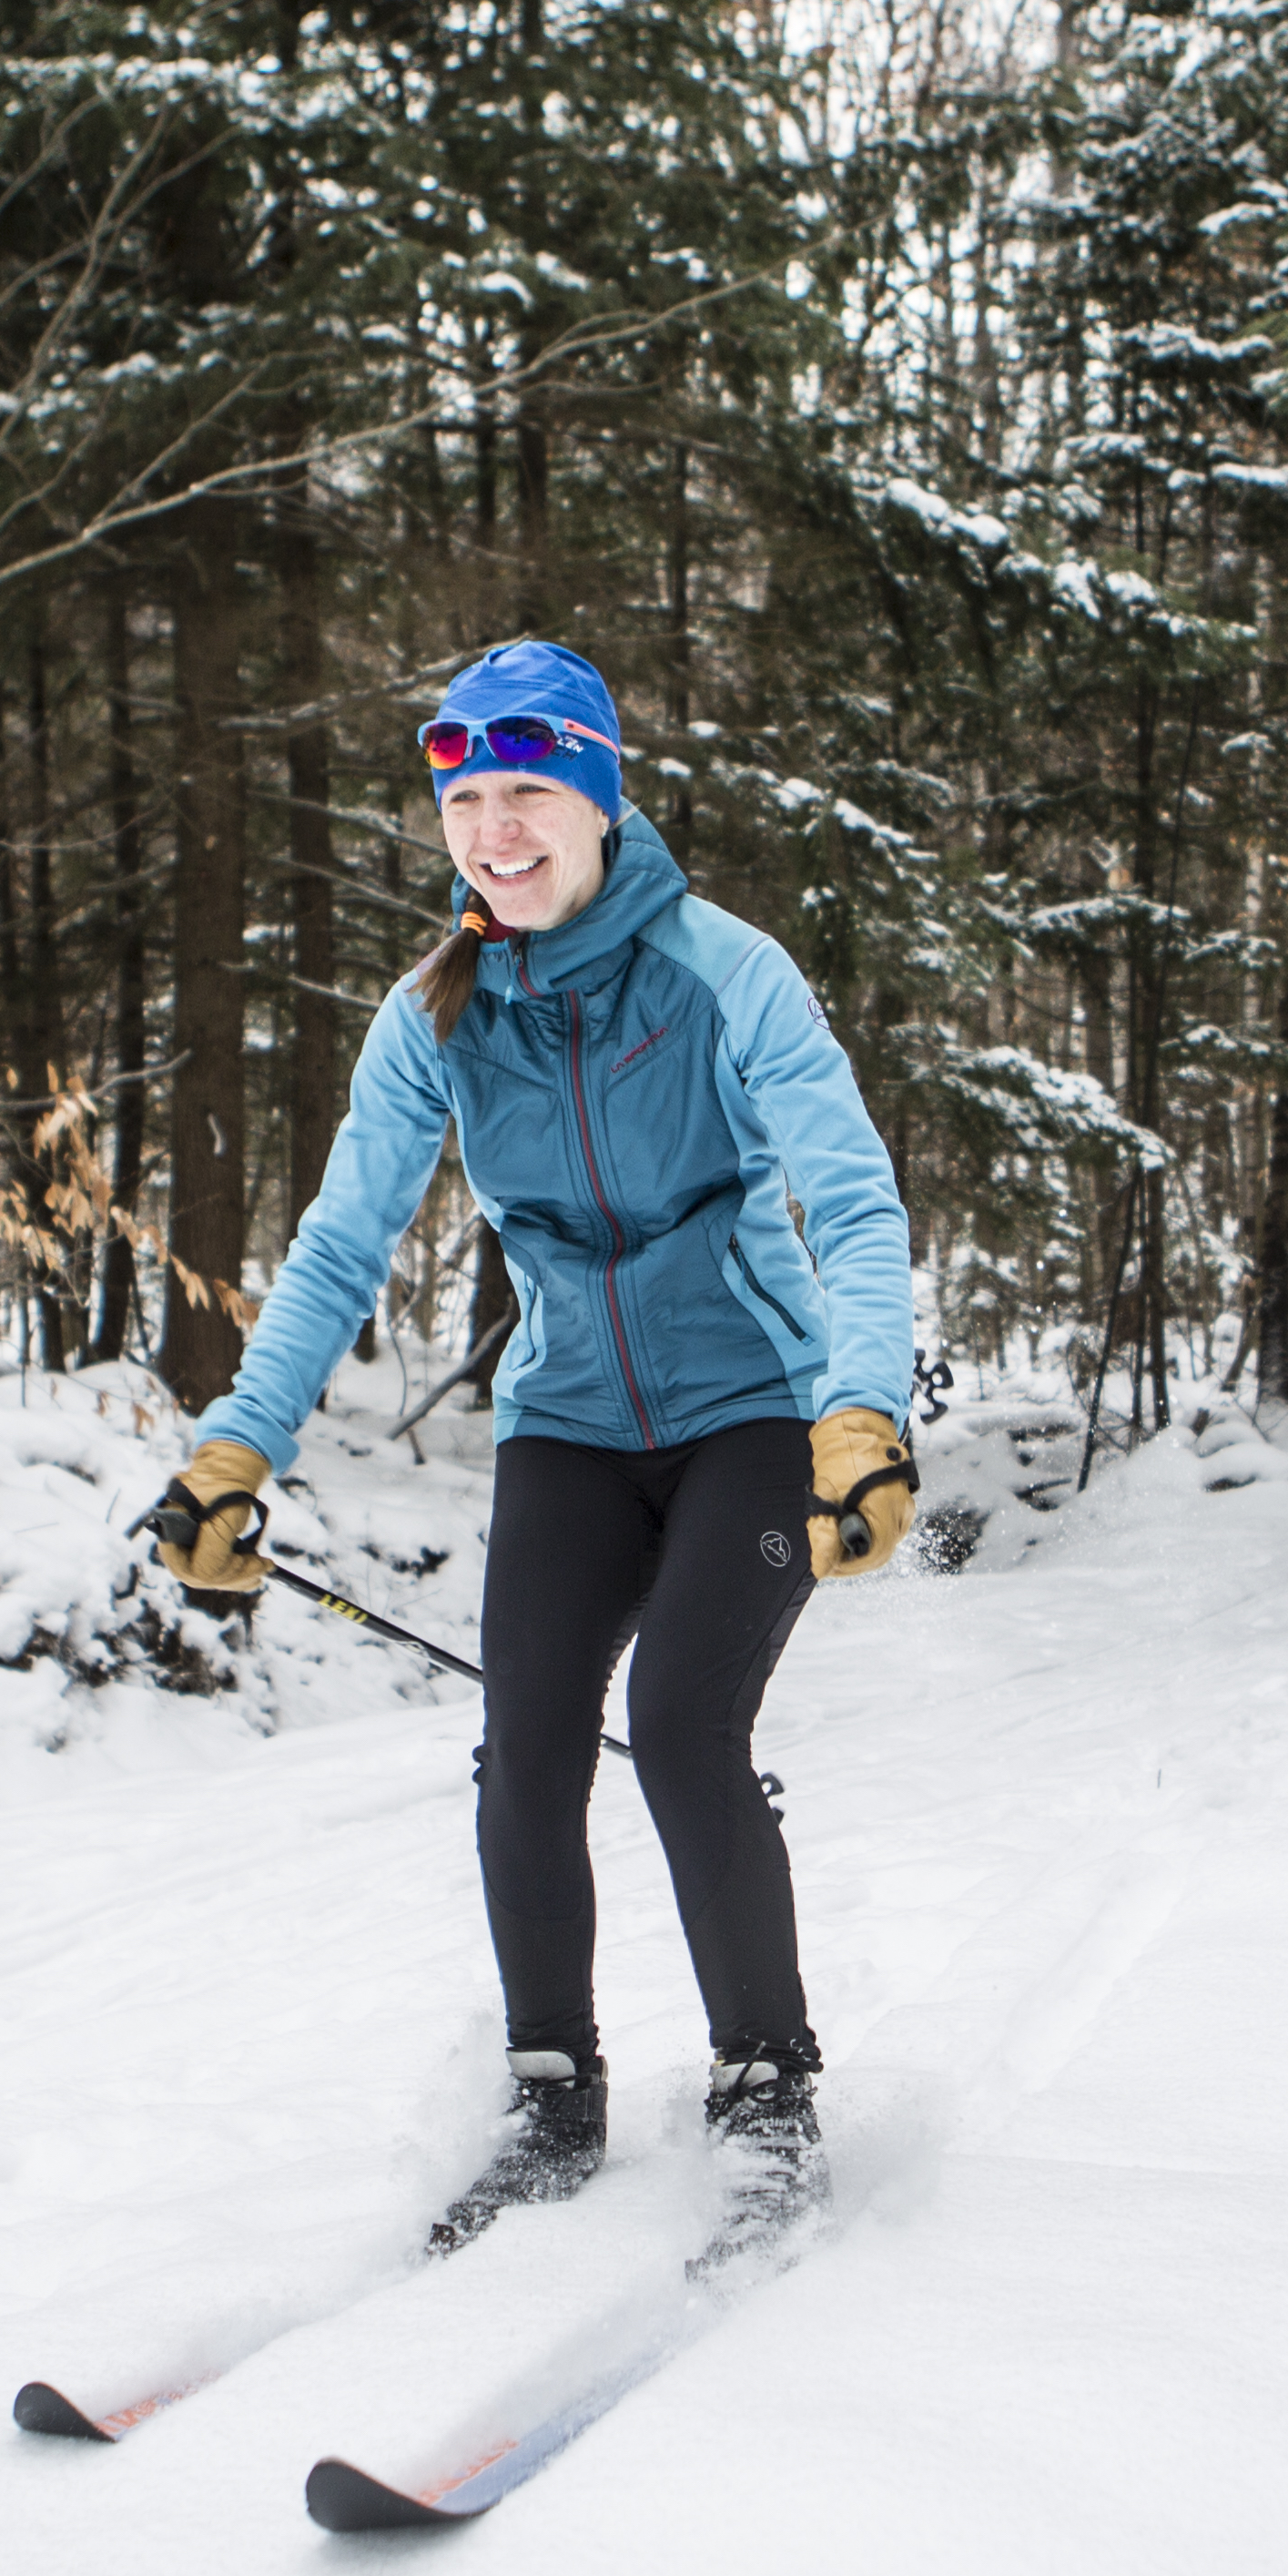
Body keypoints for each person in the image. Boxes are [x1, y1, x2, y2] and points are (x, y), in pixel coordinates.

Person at [139, 639, 918, 2265]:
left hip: (751, 1409)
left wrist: (863, 1412)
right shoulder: (435, 1012)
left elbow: (846, 1198)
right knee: (527, 1745)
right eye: (465, 797)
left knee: (682, 1721)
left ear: (597, 797)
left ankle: (766, 2089)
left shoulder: (723, 972)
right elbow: (340, 1247)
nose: (494, 828)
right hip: (565, 1421)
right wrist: (234, 1446)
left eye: (527, 792)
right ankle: (549, 2091)